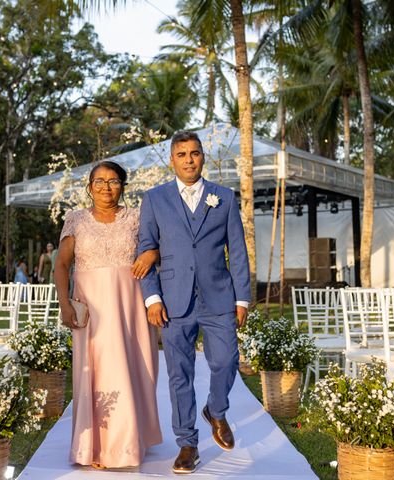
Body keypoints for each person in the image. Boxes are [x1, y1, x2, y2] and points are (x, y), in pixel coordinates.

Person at [138, 130, 251, 474]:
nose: (189, 159)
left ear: (203, 157)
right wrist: (152, 297)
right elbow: (144, 248)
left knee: (226, 361)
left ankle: (216, 410)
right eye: (182, 154)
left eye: (195, 153)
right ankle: (187, 443)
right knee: (179, 375)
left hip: (219, 296)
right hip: (172, 301)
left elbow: (238, 250)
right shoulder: (154, 199)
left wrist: (243, 297)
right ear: (172, 160)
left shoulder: (224, 198)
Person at [55, 160, 163, 469]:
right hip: (92, 308)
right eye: (99, 181)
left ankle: (129, 441)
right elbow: (62, 265)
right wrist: (64, 303)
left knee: (135, 368)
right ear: (89, 187)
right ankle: (96, 446)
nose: (106, 187)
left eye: (113, 181)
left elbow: (156, 248)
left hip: (130, 305)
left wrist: (150, 254)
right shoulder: (75, 220)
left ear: (123, 187)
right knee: (97, 371)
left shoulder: (136, 218)